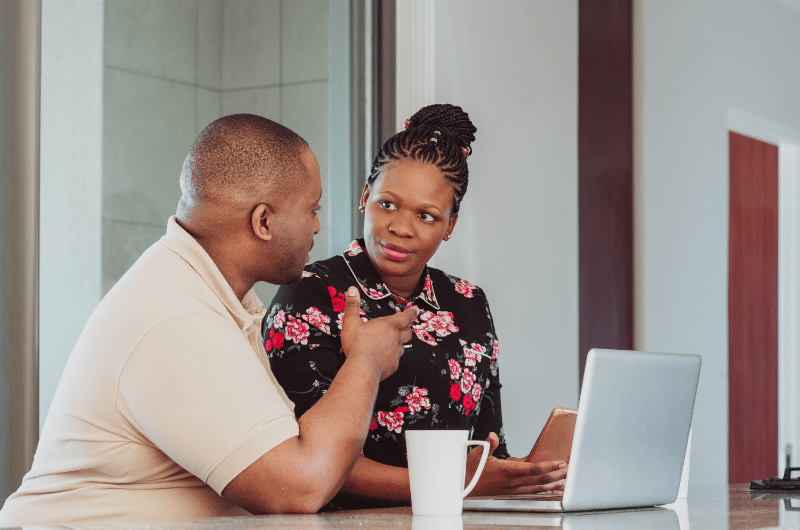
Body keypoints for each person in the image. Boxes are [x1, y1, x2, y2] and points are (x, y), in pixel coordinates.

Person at [0, 114, 418, 526]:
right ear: (263, 221)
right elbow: (298, 487)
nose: (316, 225)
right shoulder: (174, 315)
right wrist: (365, 362)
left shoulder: (206, 295)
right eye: (312, 208)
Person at [264, 104, 568, 509]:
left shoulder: (469, 303)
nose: (401, 228)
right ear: (365, 197)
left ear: (450, 226)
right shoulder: (309, 293)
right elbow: (306, 460)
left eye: (426, 215)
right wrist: (456, 485)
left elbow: (487, 447)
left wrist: (529, 476)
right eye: (387, 204)